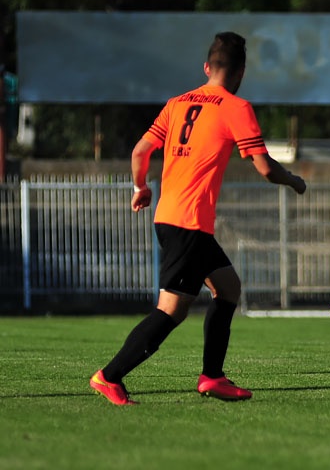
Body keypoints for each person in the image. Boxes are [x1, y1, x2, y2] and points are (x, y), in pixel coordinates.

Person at [89, 32, 308, 405]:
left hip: (173, 217)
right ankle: (109, 376)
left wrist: (141, 187)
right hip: (187, 223)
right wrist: (293, 181)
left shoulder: (177, 104)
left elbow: (141, 149)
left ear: (207, 67)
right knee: (171, 310)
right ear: (240, 72)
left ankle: (212, 377)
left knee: (228, 288)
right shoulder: (235, 107)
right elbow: (266, 169)